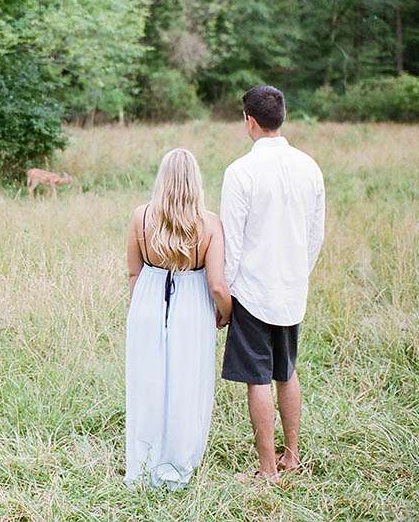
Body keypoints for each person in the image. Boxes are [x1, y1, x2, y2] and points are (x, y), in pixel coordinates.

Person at [220, 85, 325, 483]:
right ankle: (291, 455)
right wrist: (299, 273)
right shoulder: (309, 166)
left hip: (252, 291)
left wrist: (225, 298)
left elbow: (232, 241)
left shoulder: (240, 172)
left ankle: (267, 470)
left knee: (258, 379)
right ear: (282, 118)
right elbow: (316, 234)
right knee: (287, 371)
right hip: (291, 288)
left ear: (249, 120)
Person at [124, 148, 232, 490]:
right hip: (192, 309)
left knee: (147, 385)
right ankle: (176, 465)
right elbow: (216, 284)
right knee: (187, 384)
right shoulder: (210, 223)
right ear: (195, 181)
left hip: (147, 303)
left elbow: (133, 272)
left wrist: (142, 309)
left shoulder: (141, 217)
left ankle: (143, 464)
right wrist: (225, 314)